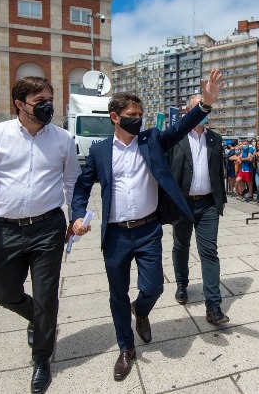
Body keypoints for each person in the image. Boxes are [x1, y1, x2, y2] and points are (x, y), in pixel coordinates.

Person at [71, 70, 224, 381]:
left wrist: (205, 104)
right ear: (115, 117)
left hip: (148, 229)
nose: (137, 119)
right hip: (115, 234)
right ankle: (126, 348)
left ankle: (141, 311)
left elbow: (180, 128)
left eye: (140, 114)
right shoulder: (100, 150)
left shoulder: (152, 140)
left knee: (153, 287)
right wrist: (77, 213)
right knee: (117, 293)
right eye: (131, 115)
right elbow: (82, 186)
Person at [0, 77, 81, 393]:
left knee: (46, 296)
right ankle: (37, 318)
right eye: (39, 100)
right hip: (4, 229)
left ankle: (42, 358)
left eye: (50, 99)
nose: (47, 106)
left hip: (48, 228)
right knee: (2, 293)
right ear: (19, 103)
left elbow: (72, 184)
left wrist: (76, 219)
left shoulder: (63, 139)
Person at [168, 95, 229, 324]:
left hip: (208, 205)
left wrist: (221, 197)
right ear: (187, 111)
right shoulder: (176, 137)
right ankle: (182, 284)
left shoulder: (215, 139)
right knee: (181, 246)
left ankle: (213, 305)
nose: (203, 111)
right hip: (182, 203)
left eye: (206, 107)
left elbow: (218, 171)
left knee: (209, 252)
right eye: (197, 108)